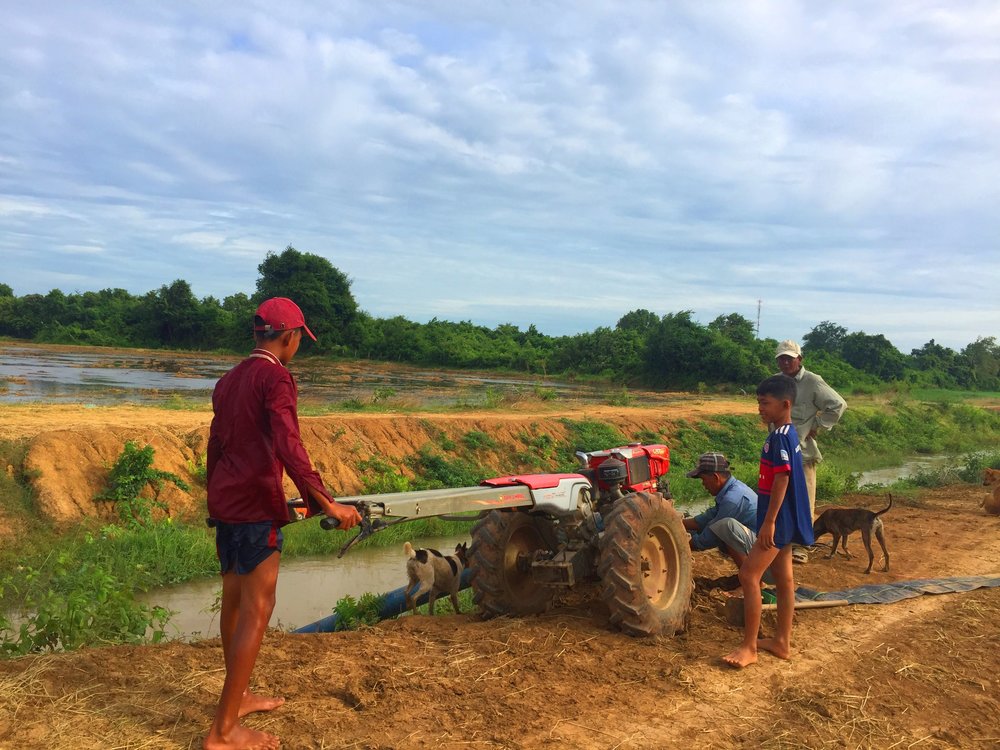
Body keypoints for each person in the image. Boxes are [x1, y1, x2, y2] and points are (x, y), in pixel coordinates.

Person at [204, 297, 362, 750]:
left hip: (228, 502)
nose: (298, 347)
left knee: (233, 602)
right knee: (258, 608)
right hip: (255, 505)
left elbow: (216, 444)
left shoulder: (229, 379)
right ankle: (223, 731)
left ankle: (240, 697)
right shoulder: (276, 378)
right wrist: (326, 501)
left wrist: (214, 495)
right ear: (289, 337)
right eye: (299, 340)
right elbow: (289, 444)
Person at [722, 374, 814, 669]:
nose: (760, 408)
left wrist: (770, 522)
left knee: (749, 576)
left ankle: (749, 646)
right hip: (784, 516)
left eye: (765, 403)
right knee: (785, 579)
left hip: (778, 518)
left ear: (785, 404)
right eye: (758, 402)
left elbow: (783, 478)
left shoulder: (779, 437)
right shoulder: (789, 432)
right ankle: (781, 641)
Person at [774, 339, 846, 563]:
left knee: (803, 499)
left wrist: (817, 426)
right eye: (781, 358)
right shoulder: (775, 382)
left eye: (789, 357)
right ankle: (780, 541)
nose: (785, 362)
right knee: (779, 497)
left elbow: (838, 405)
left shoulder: (812, 382)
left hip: (803, 452)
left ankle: (802, 546)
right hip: (778, 449)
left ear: (799, 359)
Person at [683, 452, 759, 578]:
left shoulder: (733, 499)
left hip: (765, 555)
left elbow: (708, 538)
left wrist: (681, 541)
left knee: (727, 530)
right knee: (723, 528)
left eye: (703, 479)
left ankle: (753, 580)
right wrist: (678, 522)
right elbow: (707, 518)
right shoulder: (731, 489)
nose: (703, 485)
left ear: (715, 477)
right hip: (754, 542)